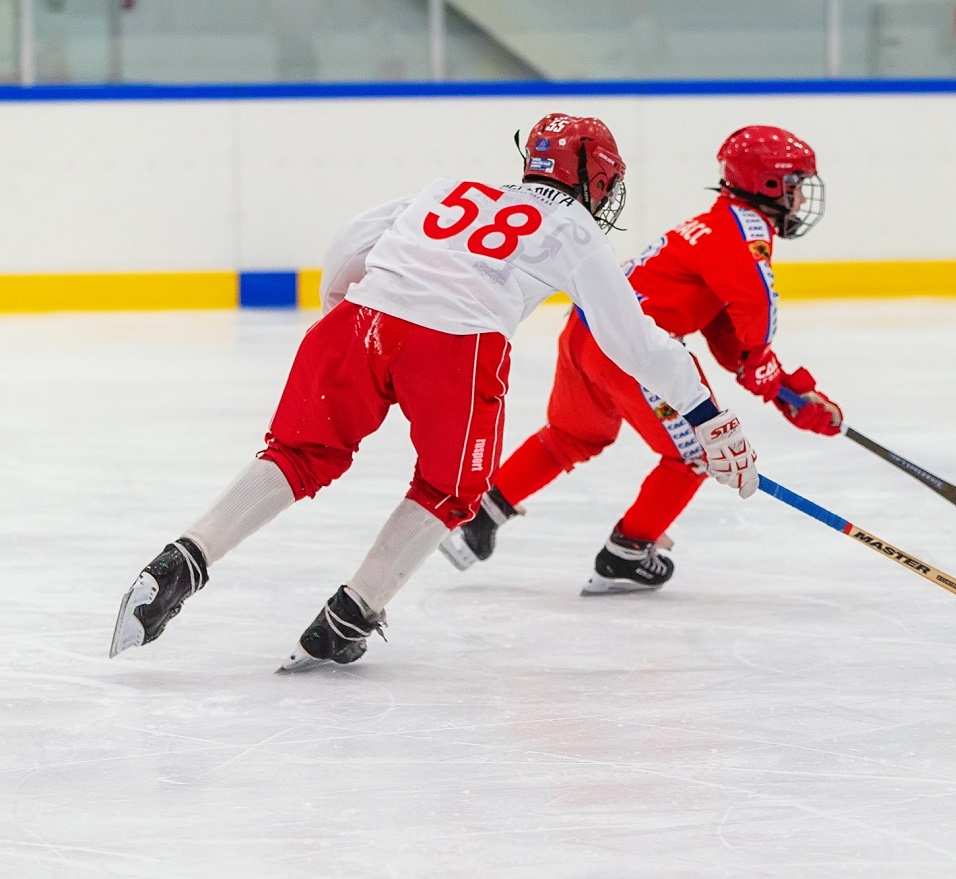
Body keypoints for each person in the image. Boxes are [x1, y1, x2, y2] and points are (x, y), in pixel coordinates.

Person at [110, 113, 760, 671]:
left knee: (298, 452)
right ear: (590, 174)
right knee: (449, 488)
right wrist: (706, 414)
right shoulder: (574, 228)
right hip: (457, 344)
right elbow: (634, 340)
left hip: (357, 321)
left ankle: (184, 558)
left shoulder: (452, 187)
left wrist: (347, 316)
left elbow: (348, 246)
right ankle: (349, 616)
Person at [437, 125, 841, 595]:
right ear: (769, 186)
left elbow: (723, 331)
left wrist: (782, 388)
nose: (797, 200)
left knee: (571, 435)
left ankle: (486, 511)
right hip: (636, 349)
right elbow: (754, 325)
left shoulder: (714, 222)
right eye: (793, 186)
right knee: (696, 453)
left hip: (585, 332)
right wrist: (779, 385)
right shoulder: (744, 237)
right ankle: (627, 553)